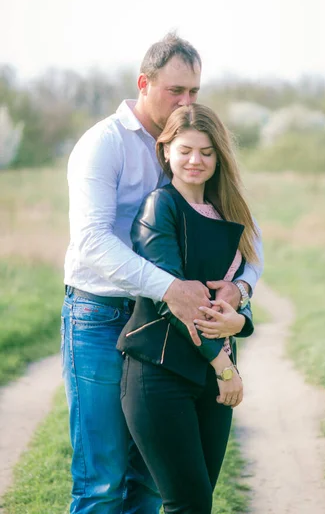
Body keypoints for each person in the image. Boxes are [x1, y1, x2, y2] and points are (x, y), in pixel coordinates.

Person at [61, 33, 264, 514]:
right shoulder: (103, 144)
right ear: (144, 83)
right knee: (103, 478)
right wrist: (172, 289)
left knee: (152, 481)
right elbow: (91, 241)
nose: (187, 101)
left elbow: (243, 238)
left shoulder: (190, 147)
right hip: (100, 312)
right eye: (176, 91)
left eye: (194, 91)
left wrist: (240, 289)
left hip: (168, 324)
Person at [118, 103, 262, 514]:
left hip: (210, 378)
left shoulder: (228, 212)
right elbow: (178, 303)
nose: (195, 161)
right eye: (185, 150)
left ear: (219, 157)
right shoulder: (158, 208)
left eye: (206, 152)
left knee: (199, 503)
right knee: (188, 503)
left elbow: (232, 291)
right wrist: (226, 368)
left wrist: (241, 320)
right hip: (159, 374)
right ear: (166, 151)